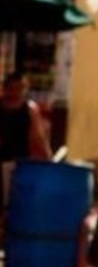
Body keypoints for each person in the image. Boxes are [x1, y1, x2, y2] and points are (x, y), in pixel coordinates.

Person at [0, 72, 52, 206]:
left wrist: (48, 158)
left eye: (20, 88)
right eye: (12, 88)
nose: (15, 93)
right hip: (5, 160)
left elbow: (38, 137)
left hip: (20, 162)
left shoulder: (29, 110)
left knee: (14, 202)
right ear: (5, 89)